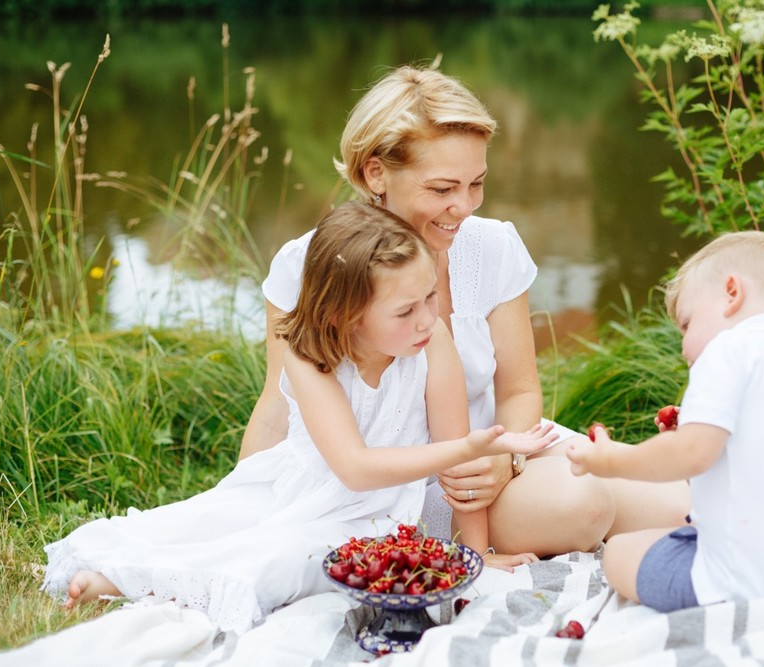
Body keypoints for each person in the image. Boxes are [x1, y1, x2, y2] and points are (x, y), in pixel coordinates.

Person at [41, 202, 557, 634]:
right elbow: (354, 467)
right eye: (405, 311)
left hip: (373, 515)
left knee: (287, 560)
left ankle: (142, 583)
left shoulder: (431, 341)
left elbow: (459, 470)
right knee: (201, 522)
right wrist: (469, 447)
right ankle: (128, 576)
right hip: (298, 486)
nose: (426, 318)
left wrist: (476, 551)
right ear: (344, 315)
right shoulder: (309, 357)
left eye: (430, 298)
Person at [242, 64, 691, 559]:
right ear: (376, 172)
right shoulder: (305, 266)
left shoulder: (493, 246)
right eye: (442, 189)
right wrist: (242, 504)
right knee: (582, 506)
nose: (464, 206)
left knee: (684, 511)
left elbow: (519, 390)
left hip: (493, 459)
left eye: (475, 184)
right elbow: (278, 405)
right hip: (397, 482)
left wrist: (506, 459)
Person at [565, 231, 764, 612]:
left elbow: (691, 454)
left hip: (747, 581)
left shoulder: (728, 349)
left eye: (687, 324)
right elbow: (754, 461)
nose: (683, 346)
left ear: (731, 293)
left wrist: (607, 461)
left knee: (620, 552)